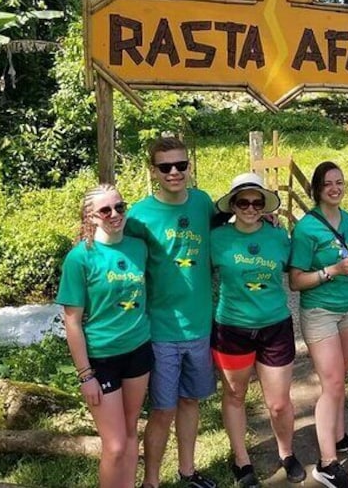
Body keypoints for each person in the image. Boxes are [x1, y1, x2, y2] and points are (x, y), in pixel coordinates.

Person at [125, 137, 218, 488]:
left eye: (181, 165)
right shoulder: (138, 215)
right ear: (154, 171)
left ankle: (188, 471)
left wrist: (265, 216)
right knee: (163, 410)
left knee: (191, 401)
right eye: (166, 167)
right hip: (161, 328)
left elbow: (232, 225)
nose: (175, 172)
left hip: (199, 324)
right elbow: (113, 246)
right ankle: (151, 482)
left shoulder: (203, 202)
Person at [211, 173, 306, 488]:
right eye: (243, 202)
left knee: (278, 402)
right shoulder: (217, 238)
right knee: (235, 395)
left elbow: (299, 267)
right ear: (233, 205)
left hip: (275, 327)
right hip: (232, 329)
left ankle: (287, 452)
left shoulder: (279, 237)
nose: (250, 208)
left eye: (256, 202)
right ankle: (242, 460)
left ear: (265, 205)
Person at [57, 184, 153, 488]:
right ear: (90, 217)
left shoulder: (138, 246)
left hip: (138, 350)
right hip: (102, 358)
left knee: (129, 432)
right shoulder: (80, 258)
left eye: (120, 207)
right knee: (113, 446)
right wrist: (86, 375)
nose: (115, 215)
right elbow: (71, 321)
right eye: (105, 210)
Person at [289, 162, 348, 488]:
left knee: (341, 379)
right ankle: (326, 463)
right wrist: (332, 271)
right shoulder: (307, 228)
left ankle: (339, 437)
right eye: (328, 183)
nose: (335, 188)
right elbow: (295, 281)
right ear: (317, 189)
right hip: (320, 311)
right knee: (332, 383)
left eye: (339, 182)